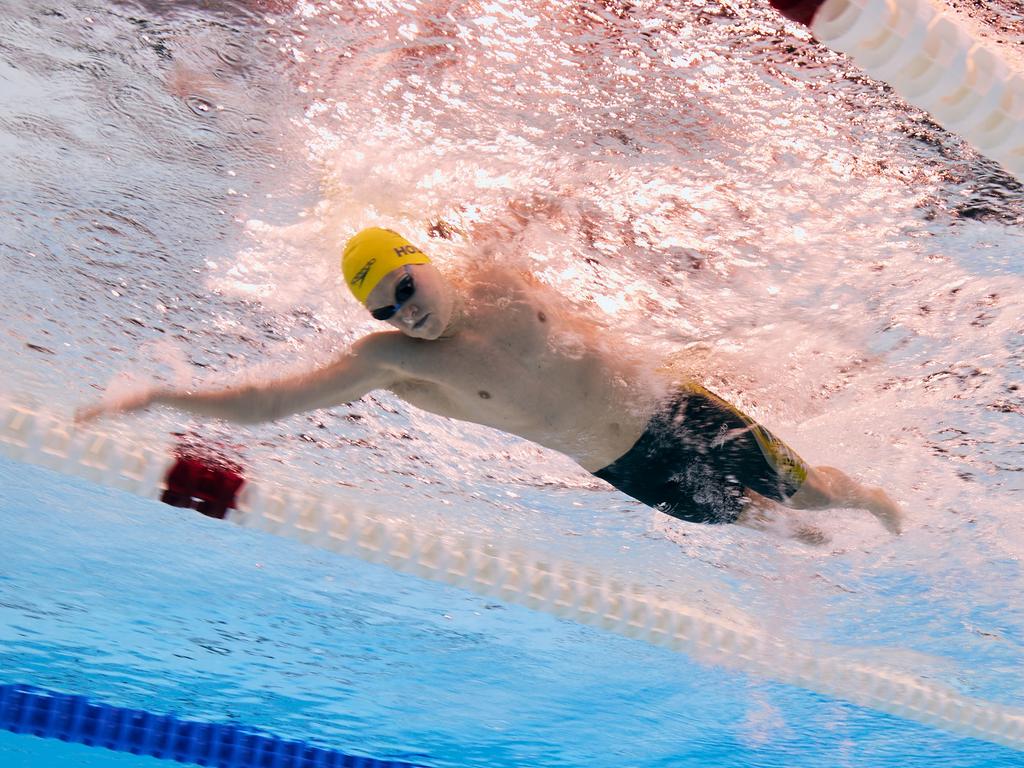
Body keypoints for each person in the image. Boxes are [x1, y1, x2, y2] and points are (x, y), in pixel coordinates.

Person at [77, 227, 903, 537]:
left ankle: (865, 500)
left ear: (420, 263)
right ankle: (787, 535)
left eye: (405, 290)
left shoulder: (501, 273)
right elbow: (275, 400)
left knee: (808, 494)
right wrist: (160, 398)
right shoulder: (392, 364)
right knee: (748, 525)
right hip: (622, 467)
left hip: (670, 407)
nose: (404, 315)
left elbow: (563, 205)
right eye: (385, 312)